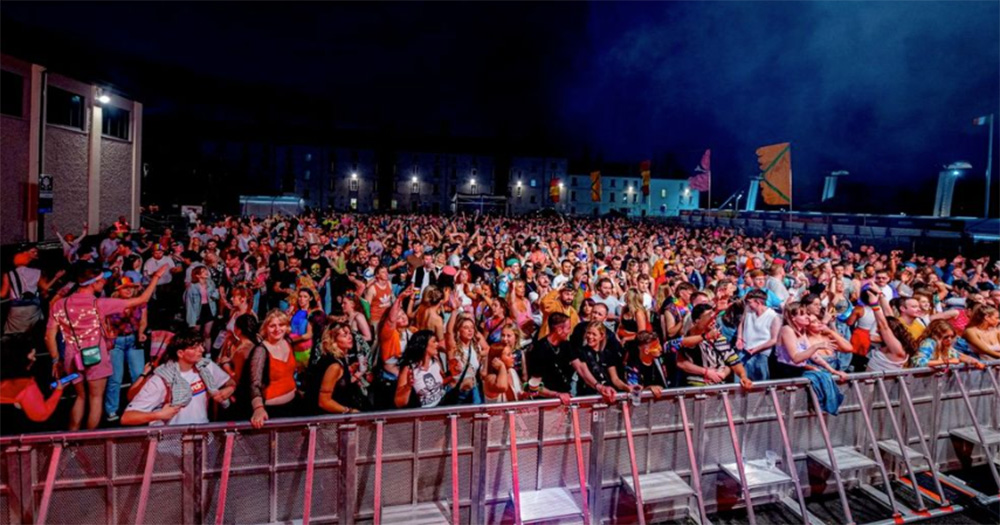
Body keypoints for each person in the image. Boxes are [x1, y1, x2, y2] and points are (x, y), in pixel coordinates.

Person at [46, 265, 166, 430]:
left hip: (70, 355)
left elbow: (49, 336)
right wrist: (156, 278)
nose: (104, 283)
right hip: (96, 355)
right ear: (93, 283)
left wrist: (55, 359)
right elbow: (142, 300)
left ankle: (71, 439)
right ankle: (89, 442)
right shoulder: (99, 303)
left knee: (80, 397)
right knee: (96, 398)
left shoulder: (60, 304)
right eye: (101, 280)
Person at [122, 328, 234, 426]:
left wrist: (230, 389)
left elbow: (230, 382)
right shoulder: (161, 379)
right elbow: (127, 417)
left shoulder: (207, 367)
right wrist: (158, 415)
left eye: (201, 345)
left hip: (201, 439)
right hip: (170, 444)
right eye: (194, 348)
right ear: (180, 353)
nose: (201, 350)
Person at [525, 312, 616, 403]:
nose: (570, 331)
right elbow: (534, 386)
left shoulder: (566, 345)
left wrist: (599, 387)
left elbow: (581, 369)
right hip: (545, 402)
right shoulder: (540, 349)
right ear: (559, 330)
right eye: (568, 328)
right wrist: (556, 395)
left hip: (564, 399)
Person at [102, 277, 148, 422]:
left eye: (131, 287)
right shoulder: (109, 304)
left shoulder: (140, 303)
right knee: (115, 378)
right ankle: (111, 409)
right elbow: (104, 322)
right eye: (125, 288)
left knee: (138, 375)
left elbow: (143, 321)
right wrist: (108, 335)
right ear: (118, 290)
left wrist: (141, 333)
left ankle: (139, 406)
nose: (129, 290)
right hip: (116, 341)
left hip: (133, 339)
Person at [677, 304, 753, 389]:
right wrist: (706, 372)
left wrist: (743, 376)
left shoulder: (719, 338)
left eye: (714, 318)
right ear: (697, 321)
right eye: (709, 317)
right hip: (698, 388)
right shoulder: (691, 338)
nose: (713, 321)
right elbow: (682, 344)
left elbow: (733, 361)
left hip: (720, 387)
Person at [248, 310, 300, 428]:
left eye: (281, 325)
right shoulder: (260, 351)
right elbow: (254, 384)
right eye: (272, 326)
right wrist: (258, 408)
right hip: (273, 411)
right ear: (265, 328)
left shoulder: (288, 342)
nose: (277, 329)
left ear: (286, 327)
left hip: (293, 406)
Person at [0, 335, 65, 425]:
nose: (34, 359)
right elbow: (41, 415)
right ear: (21, 358)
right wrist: (58, 391)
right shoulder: (26, 386)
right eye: (32, 356)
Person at [307, 323, 363, 414]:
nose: (350, 338)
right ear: (333, 340)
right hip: (328, 419)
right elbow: (324, 401)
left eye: (350, 334)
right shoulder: (334, 366)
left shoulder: (340, 358)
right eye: (344, 335)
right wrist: (349, 411)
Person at [394, 330, 451, 408]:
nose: (437, 344)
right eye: (434, 342)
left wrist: (453, 374)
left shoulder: (435, 361)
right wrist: (408, 386)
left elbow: (441, 382)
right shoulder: (409, 368)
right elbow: (399, 402)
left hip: (441, 407)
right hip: (423, 414)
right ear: (424, 346)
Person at [735, 289, 781, 381]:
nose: (748, 304)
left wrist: (756, 349)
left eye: (749, 302)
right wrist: (739, 338)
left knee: (759, 383)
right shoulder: (747, 310)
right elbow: (742, 323)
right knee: (740, 380)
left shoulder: (774, 317)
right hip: (744, 350)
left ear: (758, 302)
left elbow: (773, 340)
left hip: (761, 354)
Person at [911, 320, 984, 369]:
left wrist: (973, 361)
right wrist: (947, 361)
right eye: (946, 337)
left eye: (951, 337)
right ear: (937, 335)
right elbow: (919, 362)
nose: (949, 339)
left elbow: (957, 355)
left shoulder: (946, 346)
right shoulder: (929, 342)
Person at [184, 265, 220, 351]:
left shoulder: (210, 283)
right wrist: (191, 320)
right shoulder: (192, 287)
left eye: (206, 271)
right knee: (196, 335)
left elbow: (216, 294)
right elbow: (189, 304)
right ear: (197, 275)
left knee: (207, 333)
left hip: (209, 309)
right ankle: (196, 351)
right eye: (203, 272)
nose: (206, 272)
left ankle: (208, 353)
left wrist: (214, 295)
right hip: (197, 311)